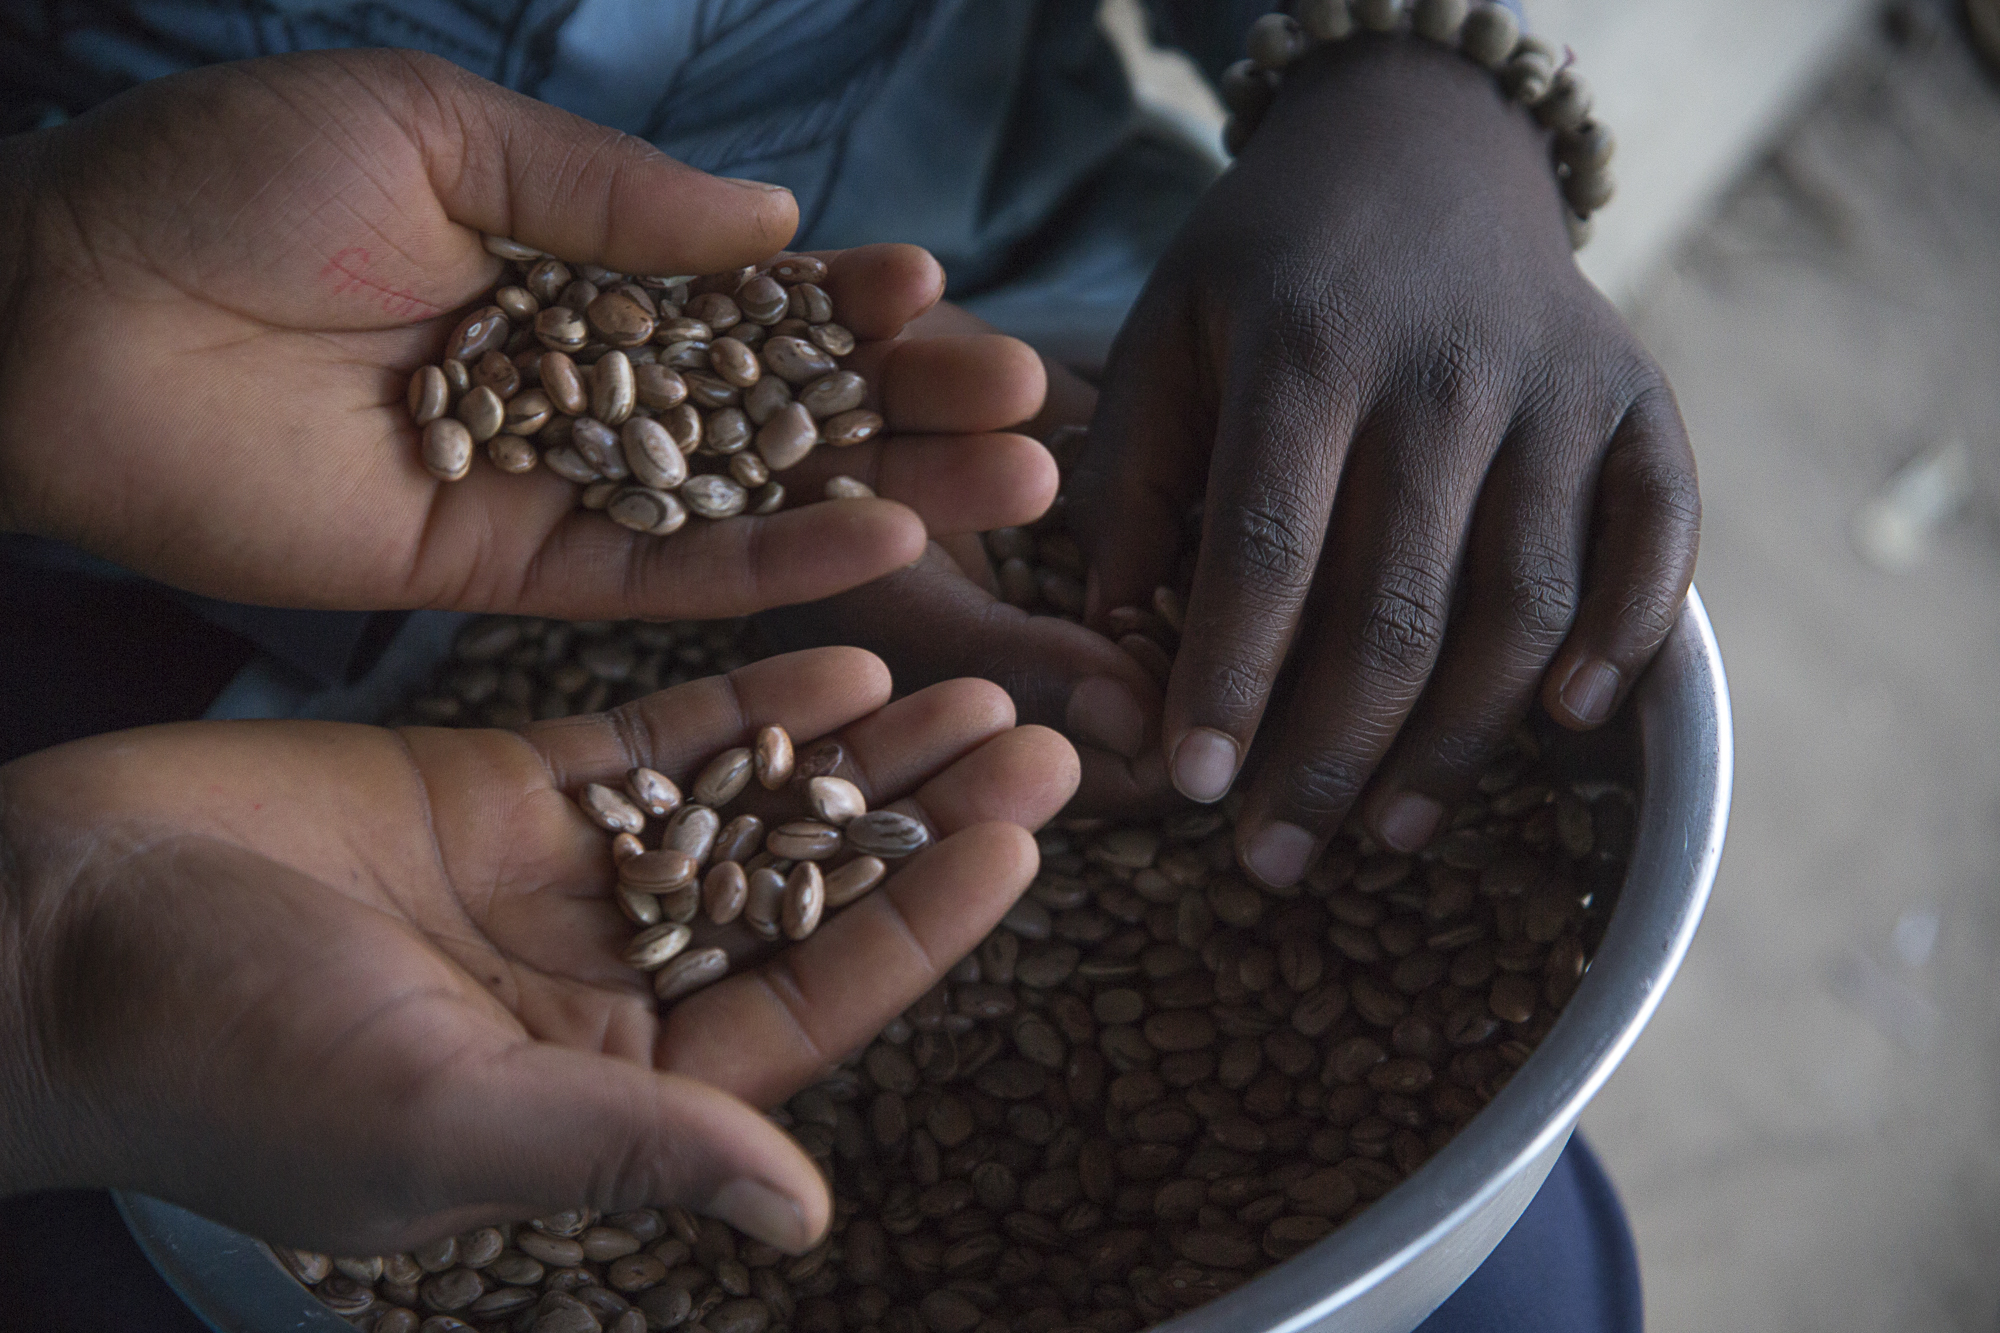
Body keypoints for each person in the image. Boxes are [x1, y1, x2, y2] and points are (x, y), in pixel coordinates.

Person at [0, 2, 1685, 1327]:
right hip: (154, 597)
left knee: (1522, 1284)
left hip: (1012, 304)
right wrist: (51, 1004)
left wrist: (1410, 79)